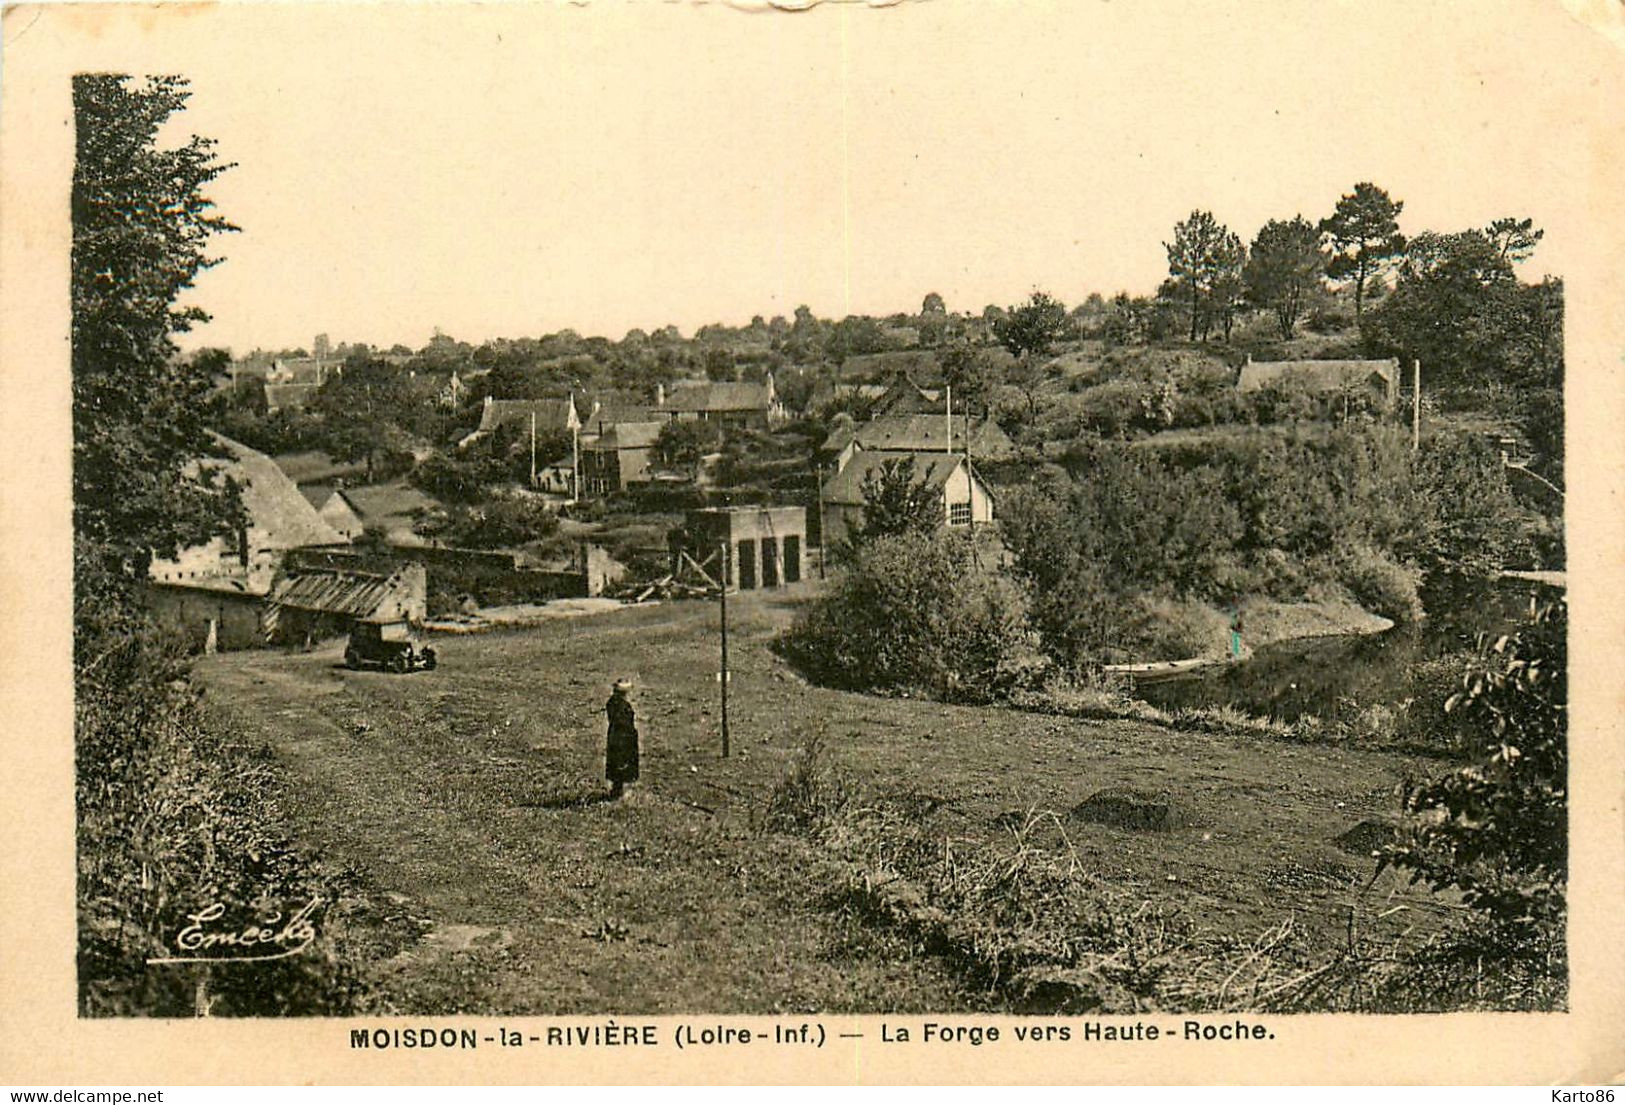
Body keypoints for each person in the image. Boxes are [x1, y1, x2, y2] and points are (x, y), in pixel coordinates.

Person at [605, 679, 639, 799]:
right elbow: (624, 722)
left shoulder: (612, 703)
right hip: (623, 738)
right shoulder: (623, 705)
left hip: (615, 736)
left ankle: (616, 789)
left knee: (616, 763)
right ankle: (620, 792)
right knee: (623, 763)